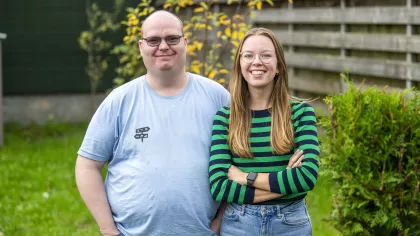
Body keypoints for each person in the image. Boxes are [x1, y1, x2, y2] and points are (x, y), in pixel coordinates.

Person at [75, 10, 231, 236]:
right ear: (141, 46)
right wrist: (108, 230)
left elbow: (243, 159)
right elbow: (87, 165)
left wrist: (221, 221)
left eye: (172, 38)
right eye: (153, 40)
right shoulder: (120, 101)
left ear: (185, 42)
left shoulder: (217, 97)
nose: (164, 46)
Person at [208, 27, 320, 236]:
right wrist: (285, 183)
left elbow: (306, 178)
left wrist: (245, 177)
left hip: (291, 224)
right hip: (238, 224)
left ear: (278, 66)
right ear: (240, 64)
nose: (257, 62)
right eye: (248, 55)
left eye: (266, 55)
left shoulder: (300, 113)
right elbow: (219, 186)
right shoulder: (225, 118)